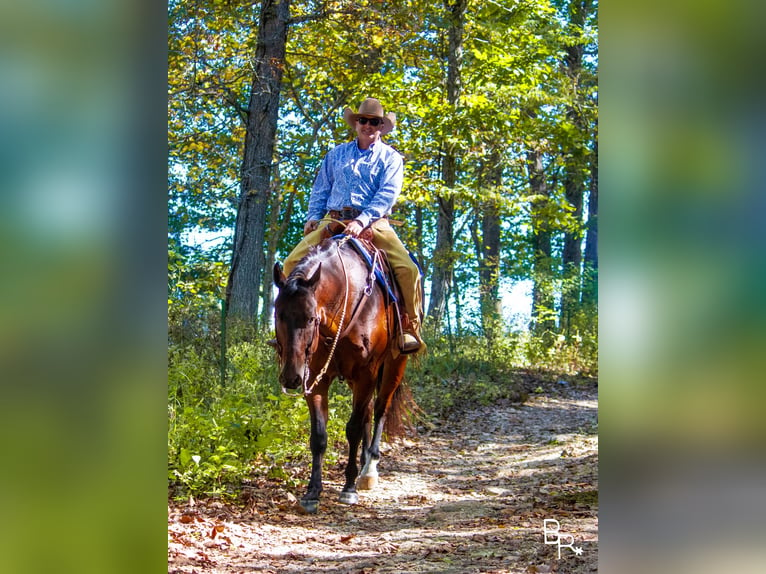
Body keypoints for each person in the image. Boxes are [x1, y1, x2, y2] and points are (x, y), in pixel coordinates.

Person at [282, 97, 424, 354]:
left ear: (381, 126)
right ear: (355, 123)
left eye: (374, 122)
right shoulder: (335, 155)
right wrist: (313, 218)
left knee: (407, 268)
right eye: (363, 120)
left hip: (374, 221)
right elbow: (321, 189)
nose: (367, 125)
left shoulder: (391, 158)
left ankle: (408, 328)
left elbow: (386, 194)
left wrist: (362, 220)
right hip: (333, 218)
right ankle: (285, 329)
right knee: (291, 264)